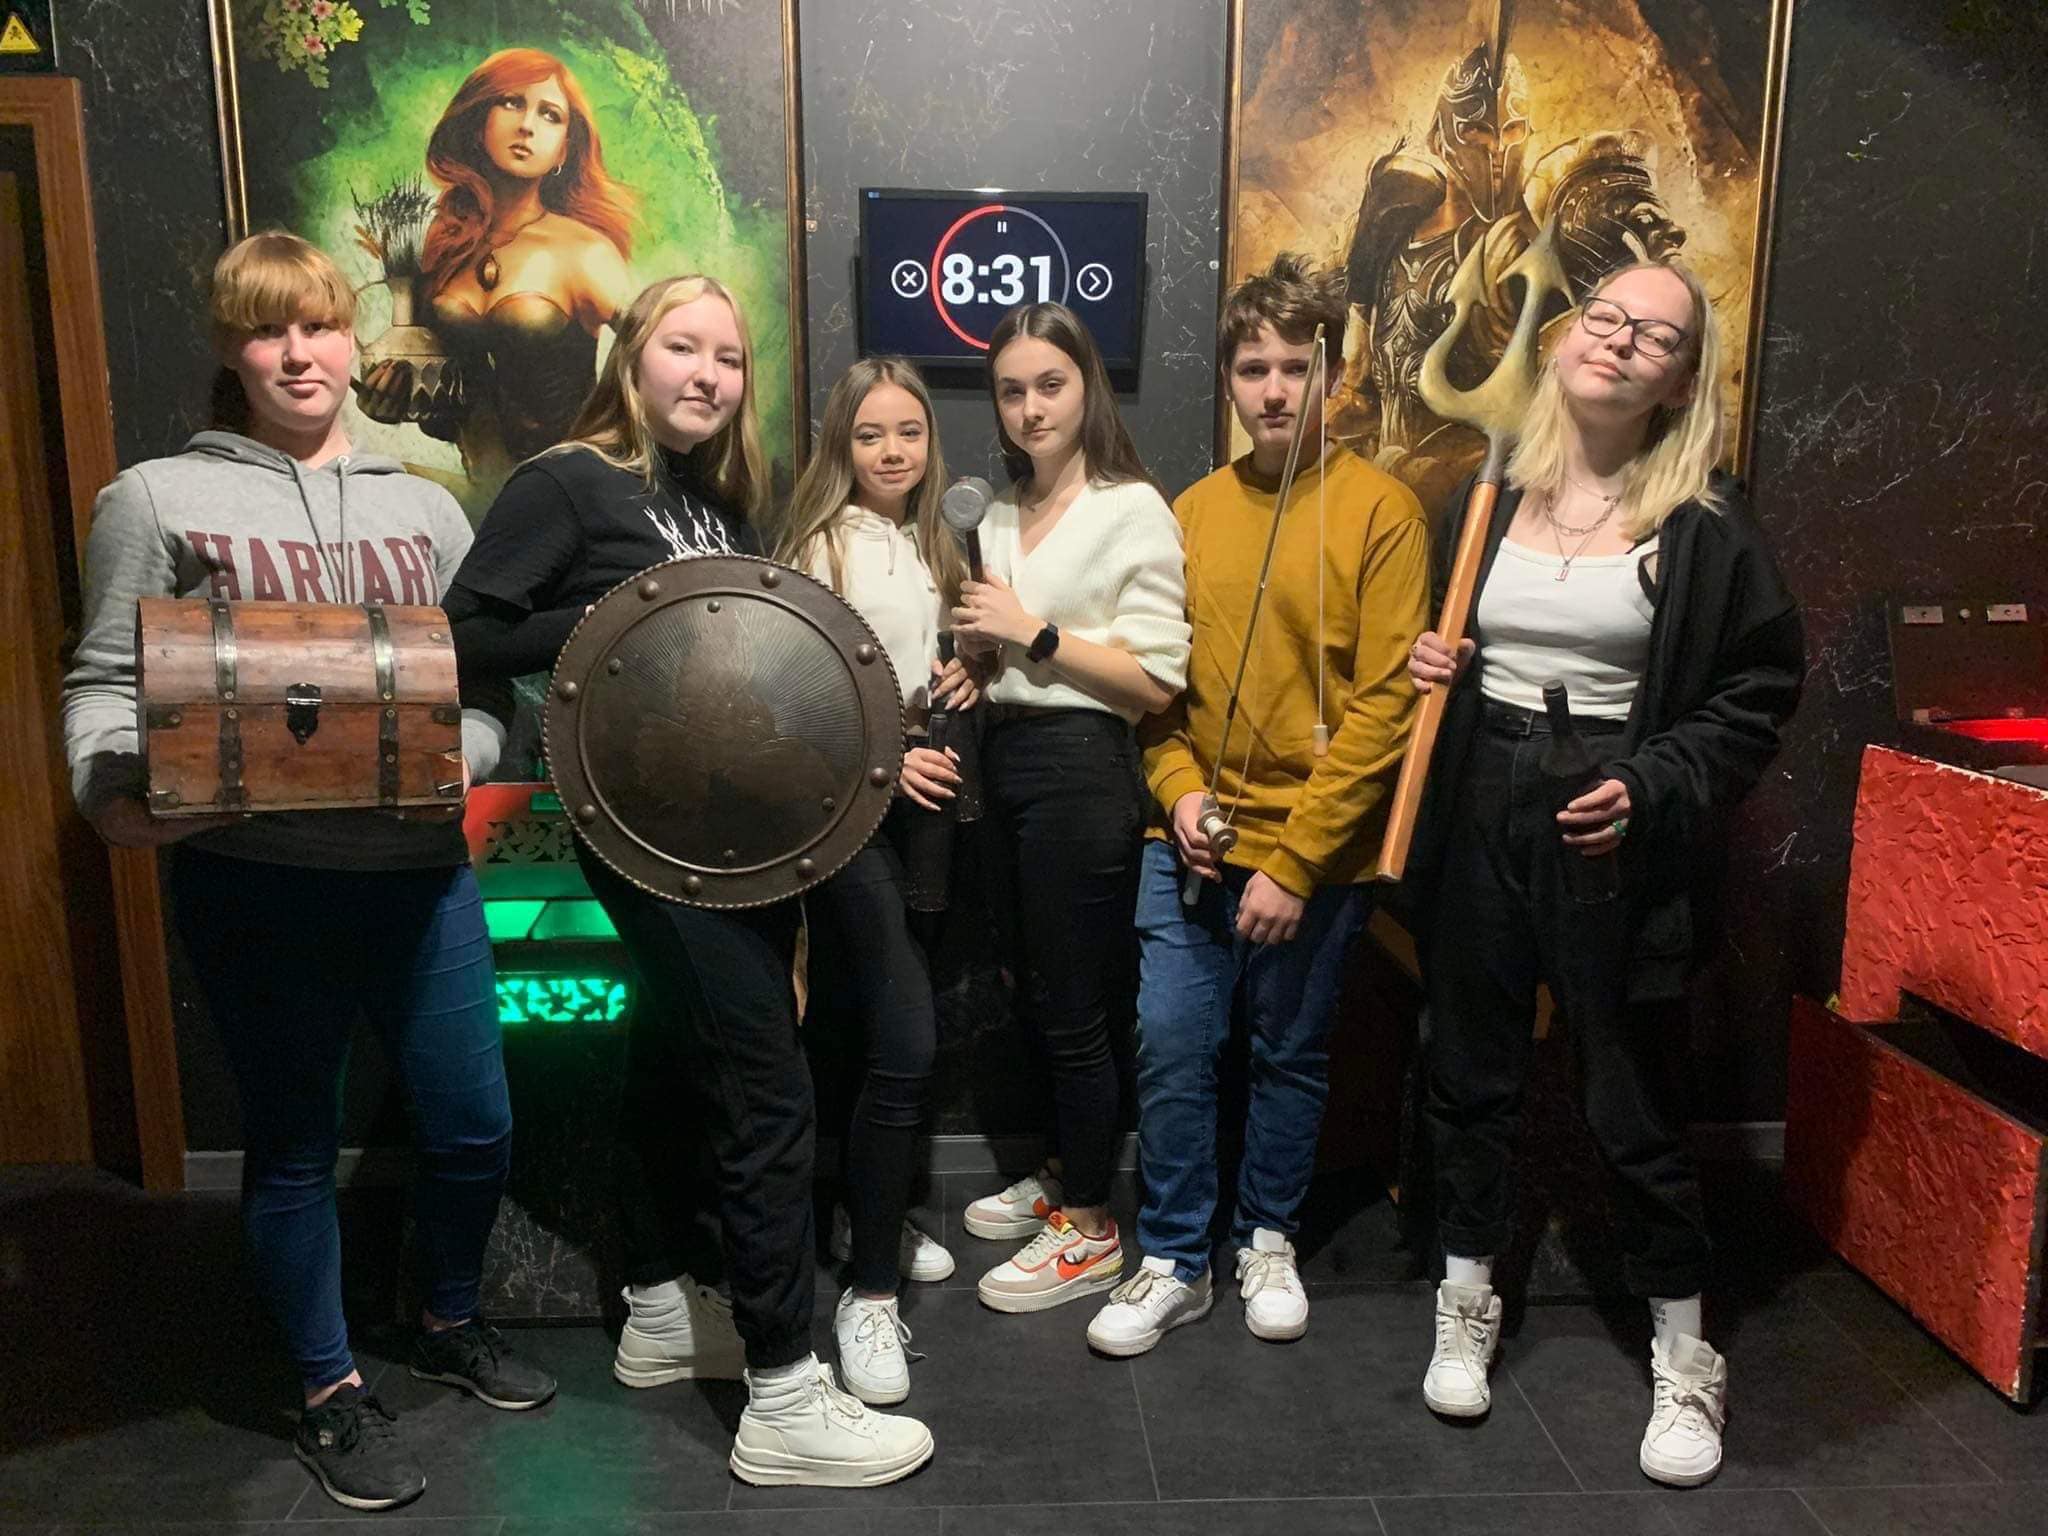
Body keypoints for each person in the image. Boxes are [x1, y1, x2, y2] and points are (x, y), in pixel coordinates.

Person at [60, 231, 550, 1514]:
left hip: (417, 872)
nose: (297, 354)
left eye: (319, 326)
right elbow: (104, 680)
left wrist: (466, 760)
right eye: (267, 329)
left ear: (351, 339)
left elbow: (483, 682)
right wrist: (114, 794)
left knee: (474, 1124)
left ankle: (445, 1317)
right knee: (291, 1148)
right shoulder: (154, 498)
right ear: (231, 348)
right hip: (256, 878)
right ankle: (329, 1387)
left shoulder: (426, 505)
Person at [445, 274, 933, 1487]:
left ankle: (661, 1307)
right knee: (767, 1093)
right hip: (646, 843)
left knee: (671, 1067)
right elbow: (464, 630)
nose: (707, 374)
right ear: (631, 354)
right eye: (682, 347)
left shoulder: (715, 504)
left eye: (727, 357)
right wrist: (610, 622)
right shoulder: (569, 481)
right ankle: (783, 1395)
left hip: (736, 847)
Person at [1405, 260, 1803, 1486]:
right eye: (1605, 317)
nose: (1620, 340)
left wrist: (1649, 783)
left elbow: (1753, 693)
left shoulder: (1703, 522)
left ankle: (1684, 1354)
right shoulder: (1485, 493)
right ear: (1570, 336)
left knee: (1628, 1088)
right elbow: (1454, 647)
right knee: (1467, 1066)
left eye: (1655, 335)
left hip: (1608, 811)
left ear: (1680, 380)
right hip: (1483, 799)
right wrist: (1434, 665)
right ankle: (1465, 1296)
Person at [1086, 254, 1428, 1358]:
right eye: (1252, 369)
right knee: (1172, 1046)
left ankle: (1266, 1237)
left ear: (1333, 372)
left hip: (1315, 856)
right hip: (1187, 842)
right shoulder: (1187, 512)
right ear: (1227, 381)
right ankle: (1174, 1258)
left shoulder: (1382, 512)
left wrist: (1294, 863)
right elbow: (1153, 692)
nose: (1274, 389)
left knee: (1288, 1051)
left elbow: (1385, 706)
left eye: (1295, 366)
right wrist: (1180, 796)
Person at [950, 303, 1191, 1314]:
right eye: (1012, 391)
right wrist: (976, 659)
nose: (1030, 408)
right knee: (1027, 989)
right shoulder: (1000, 513)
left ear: (1086, 387)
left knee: (1076, 1003)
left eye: (1049, 384)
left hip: (1083, 770)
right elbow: (1004, 649)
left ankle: (1091, 1224)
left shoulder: (1131, 508)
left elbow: (1157, 682)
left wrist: (1033, 633)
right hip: (1003, 759)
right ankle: (1060, 1173)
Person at [763, 357, 972, 1405]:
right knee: (903, 1041)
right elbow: (790, 696)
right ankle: (870, 1294)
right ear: (838, 446)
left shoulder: (933, 541)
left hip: (920, 815)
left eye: (909, 432)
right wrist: (892, 754)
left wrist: (971, 667)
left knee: (856, 1024)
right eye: (869, 434)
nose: (892, 451)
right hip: (847, 817)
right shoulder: (819, 545)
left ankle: (862, 1219)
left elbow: (920, 661)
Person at [361, 47, 634, 488]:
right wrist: (392, 400)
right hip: (480, 494)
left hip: (571, 497)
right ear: (479, 120)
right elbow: (441, 410)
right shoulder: (442, 246)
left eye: (550, 115)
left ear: (564, 150)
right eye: (511, 102)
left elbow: (663, 361)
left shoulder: (586, 252)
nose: (527, 125)